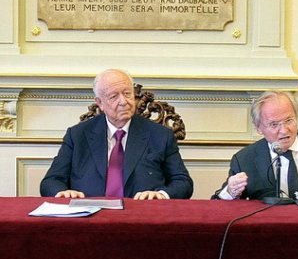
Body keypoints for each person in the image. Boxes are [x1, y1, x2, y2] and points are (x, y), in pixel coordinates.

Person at [40, 69, 193, 200]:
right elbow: (51, 181)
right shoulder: (78, 135)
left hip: (142, 218)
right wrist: (63, 193)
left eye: (127, 93)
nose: (124, 101)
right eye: (114, 96)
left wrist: (161, 194)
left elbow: (183, 182)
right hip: (88, 219)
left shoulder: (161, 135)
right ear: (100, 103)